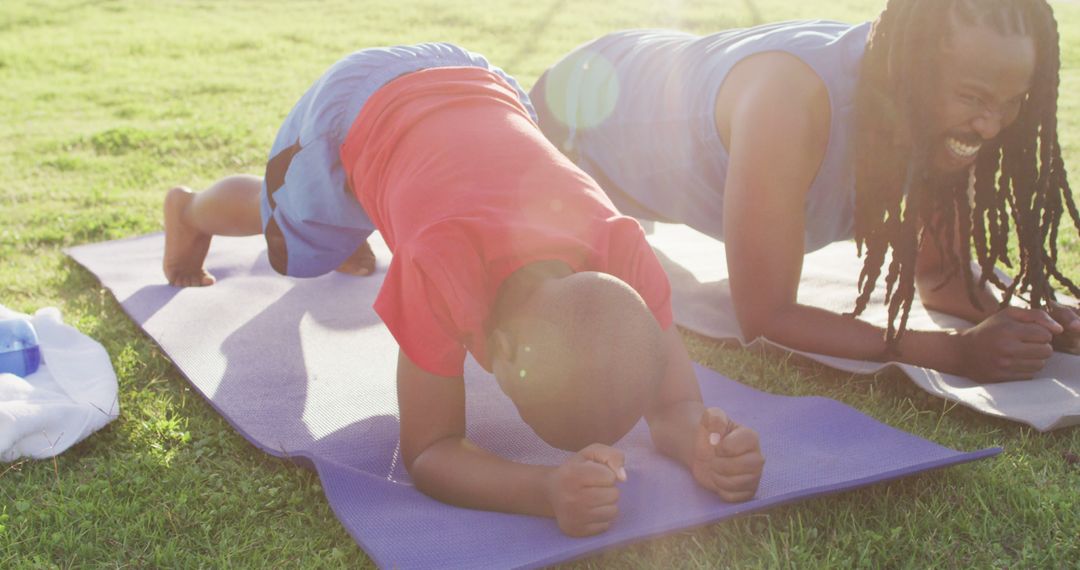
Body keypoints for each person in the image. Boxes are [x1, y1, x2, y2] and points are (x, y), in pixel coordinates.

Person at [161, 44, 764, 537]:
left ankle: (361, 211)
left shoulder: (623, 249)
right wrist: (542, 490)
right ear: (497, 347)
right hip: (360, 103)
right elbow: (428, 452)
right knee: (292, 243)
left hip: (481, 82)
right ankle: (190, 211)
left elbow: (674, 405)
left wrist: (702, 447)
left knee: (378, 207)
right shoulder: (438, 268)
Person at [529, 0, 1080, 383]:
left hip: (659, 79)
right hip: (578, 118)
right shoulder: (789, 105)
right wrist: (956, 353)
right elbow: (765, 318)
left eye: (1011, 103)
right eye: (974, 97)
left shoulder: (942, 123)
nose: (991, 125)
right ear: (913, 68)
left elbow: (939, 275)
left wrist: (1036, 317)